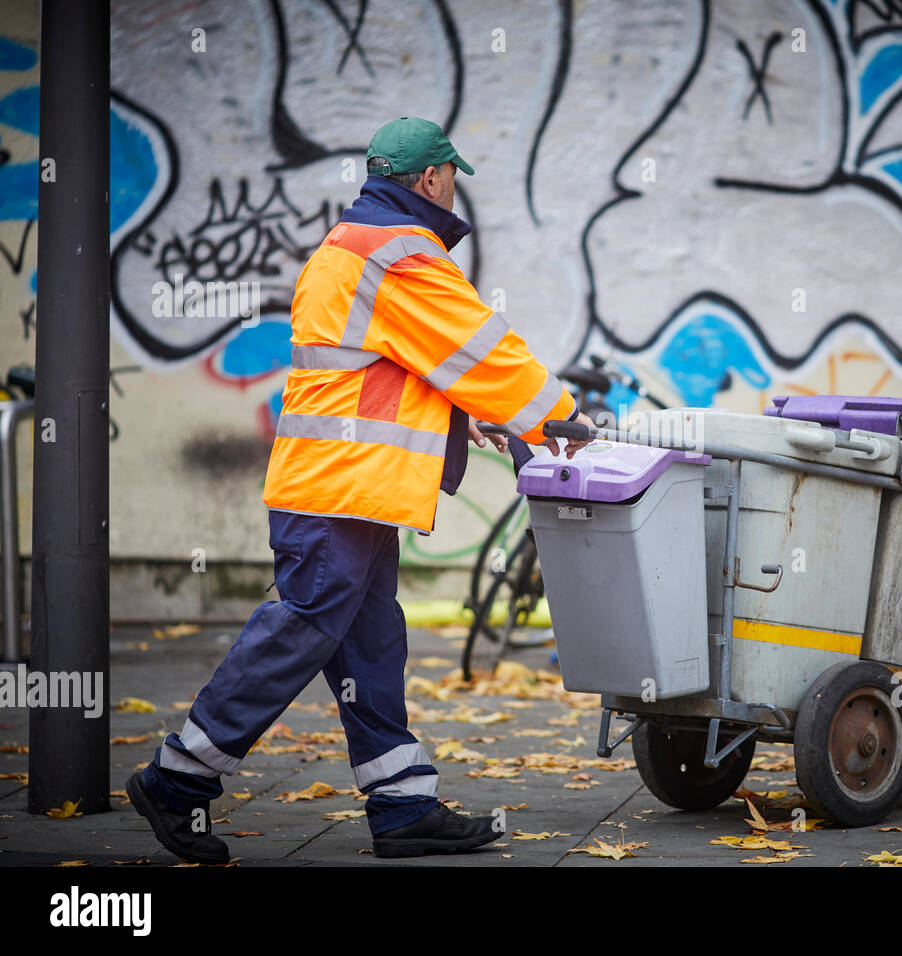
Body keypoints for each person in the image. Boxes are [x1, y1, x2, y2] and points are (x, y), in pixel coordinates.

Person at [128, 116, 595, 863]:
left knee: (371, 643)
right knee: (303, 627)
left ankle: (402, 805)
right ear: (432, 179)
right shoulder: (400, 251)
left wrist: (454, 422)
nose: (453, 189)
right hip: (339, 492)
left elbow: (388, 365)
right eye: (451, 176)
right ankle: (177, 779)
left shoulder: (353, 241)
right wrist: (564, 420)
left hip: (346, 488)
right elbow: (480, 352)